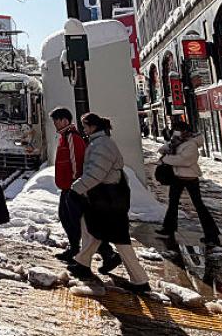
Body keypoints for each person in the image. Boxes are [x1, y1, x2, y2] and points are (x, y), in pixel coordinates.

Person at [67, 113, 150, 293]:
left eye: (85, 126)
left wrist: (77, 188)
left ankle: (140, 280)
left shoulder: (101, 145)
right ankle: (82, 262)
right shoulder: (101, 142)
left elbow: (96, 172)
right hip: (106, 197)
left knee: (118, 238)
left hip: (108, 198)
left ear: (92, 126)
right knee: (93, 229)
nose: (84, 129)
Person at [50, 107, 118, 267]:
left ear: (64, 120)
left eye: (56, 121)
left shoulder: (71, 137)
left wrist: (76, 184)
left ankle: (107, 254)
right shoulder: (64, 137)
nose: (54, 124)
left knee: (82, 223)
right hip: (68, 187)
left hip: (74, 188)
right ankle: (75, 249)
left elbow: (76, 163)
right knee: (68, 218)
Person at [156, 120, 221, 246]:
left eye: (177, 129)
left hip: (190, 178)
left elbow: (184, 161)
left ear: (185, 131)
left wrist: (166, 158)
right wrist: (170, 145)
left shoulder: (191, 144)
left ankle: (212, 234)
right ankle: (168, 229)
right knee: (173, 204)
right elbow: (162, 149)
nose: (175, 132)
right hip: (177, 177)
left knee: (199, 206)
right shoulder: (178, 142)